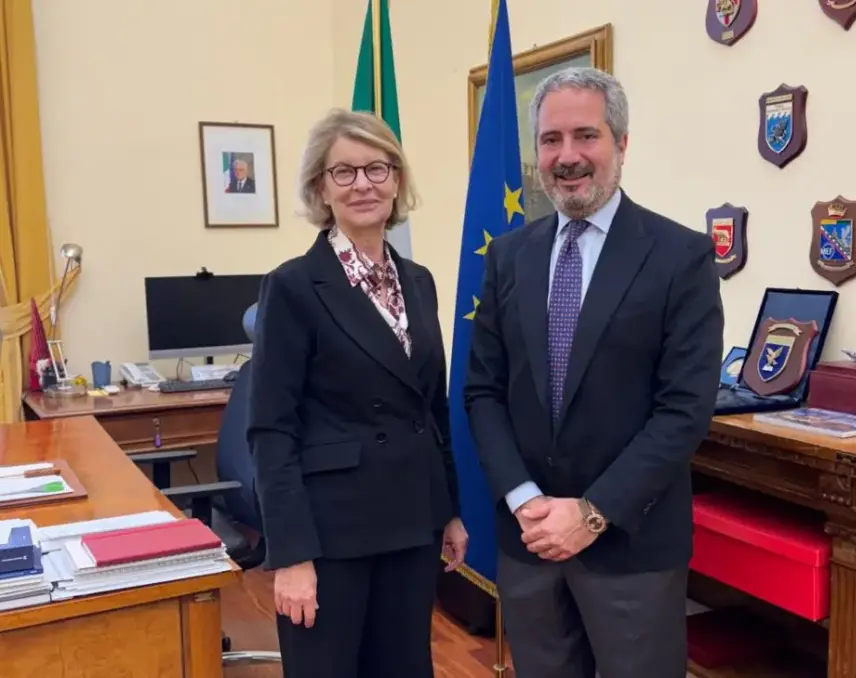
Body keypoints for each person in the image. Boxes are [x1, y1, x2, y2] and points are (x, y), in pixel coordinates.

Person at [463, 66, 723, 678]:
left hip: (631, 551)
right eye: (551, 140)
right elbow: (482, 391)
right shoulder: (508, 257)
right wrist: (525, 500)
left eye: (586, 135)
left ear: (622, 143)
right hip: (529, 542)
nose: (567, 156)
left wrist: (591, 513)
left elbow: (684, 411)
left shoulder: (680, 257)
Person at [247, 108, 468, 678]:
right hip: (330, 535)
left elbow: (432, 408)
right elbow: (272, 430)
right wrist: (291, 554)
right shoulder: (293, 286)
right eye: (343, 172)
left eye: (377, 168)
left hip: (412, 521)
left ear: (397, 179)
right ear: (321, 188)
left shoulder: (418, 281)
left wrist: (448, 510)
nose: (363, 184)